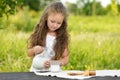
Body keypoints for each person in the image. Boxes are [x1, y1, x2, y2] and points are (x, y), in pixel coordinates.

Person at [27, 1, 69, 72]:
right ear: (46, 17)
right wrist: (34, 49)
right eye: (52, 21)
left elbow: (65, 58)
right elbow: (29, 53)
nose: (55, 25)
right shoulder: (38, 33)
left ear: (63, 22)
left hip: (53, 72)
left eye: (59, 23)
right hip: (37, 72)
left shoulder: (61, 38)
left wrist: (57, 63)